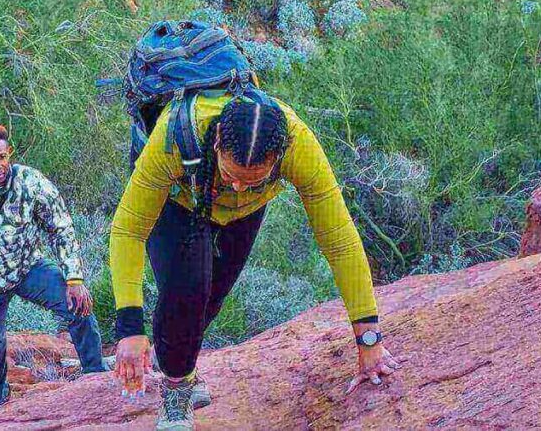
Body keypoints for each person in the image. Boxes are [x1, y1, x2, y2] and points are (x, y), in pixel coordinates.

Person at [108, 94, 402, 430]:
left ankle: (174, 353)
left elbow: (339, 241)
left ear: (277, 158)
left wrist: (369, 341)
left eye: (252, 179)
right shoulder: (176, 136)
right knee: (187, 290)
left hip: (244, 212)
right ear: (217, 141)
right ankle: (177, 388)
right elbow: (128, 230)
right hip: (180, 200)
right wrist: (129, 328)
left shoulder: (298, 146)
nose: (236, 184)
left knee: (212, 297)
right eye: (231, 173)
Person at [0, 123, 107, 413]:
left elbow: (61, 228)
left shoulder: (31, 182)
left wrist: (74, 277)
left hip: (27, 268)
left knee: (78, 306)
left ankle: (96, 374)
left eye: (1, 157)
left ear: (9, 152)